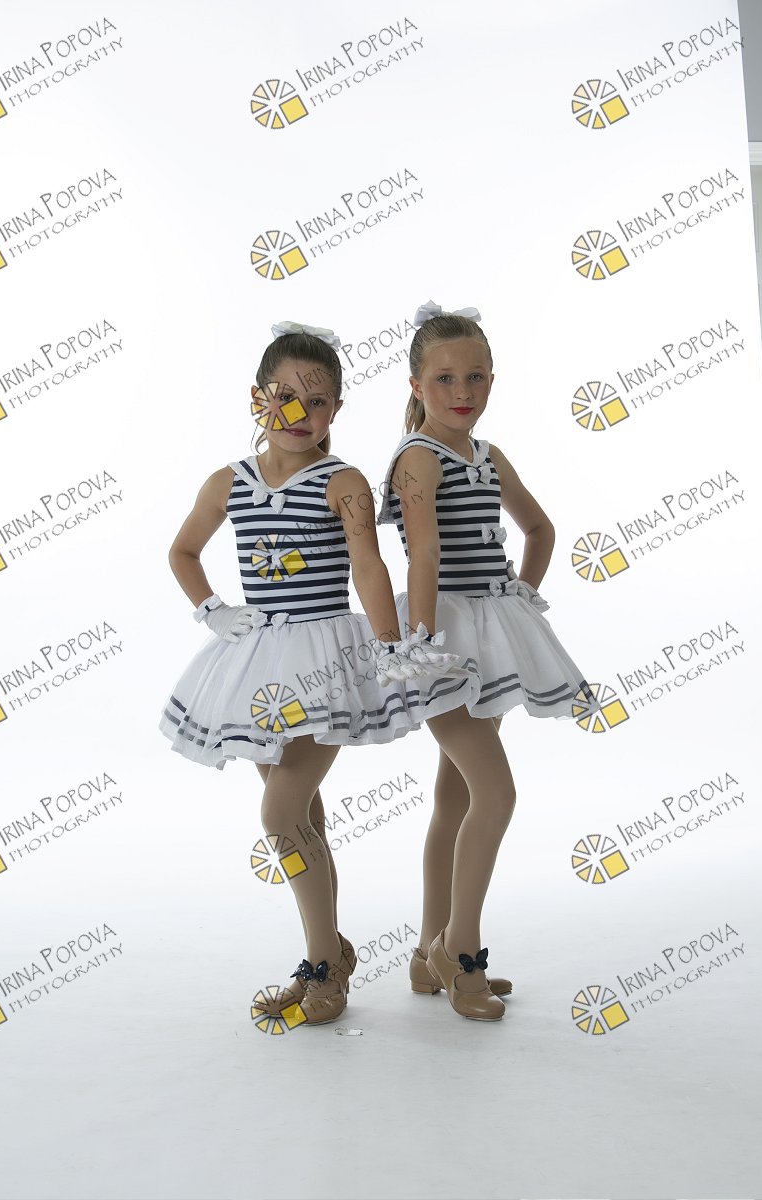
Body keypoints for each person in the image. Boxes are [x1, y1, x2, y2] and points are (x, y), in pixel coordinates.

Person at [159, 320, 460, 1026]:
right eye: (285, 396)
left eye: (318, 400)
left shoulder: (344, 482)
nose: (300, 412)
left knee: (280, 814)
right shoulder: (228, 482)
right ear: (257, 397)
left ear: (337, 409)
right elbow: (182, 551)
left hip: (327, 662)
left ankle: (324, 962)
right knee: (304, 819)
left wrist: (389, 645)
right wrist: (211, 609)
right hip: (256, 660)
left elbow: (368, 566)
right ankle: (329, 953)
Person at [377, 301, 596, 1021]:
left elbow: (540, 529)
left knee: (457, 798)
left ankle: (425, 953)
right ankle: (458, 950)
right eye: (444, 379)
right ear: (416, 385)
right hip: (442, 639)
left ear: (493, 380)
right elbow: (423, 554)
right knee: (495, 796)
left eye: (475, 376)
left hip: (489, 633)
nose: (461, 391)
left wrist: (518, 596)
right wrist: (420, 643)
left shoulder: (489, 456)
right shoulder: (417, 458)